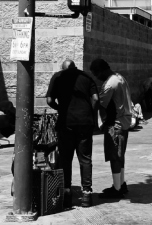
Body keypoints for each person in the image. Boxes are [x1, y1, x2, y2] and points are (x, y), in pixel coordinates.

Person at [47, 60, 98, 208]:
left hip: (66, 123)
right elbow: (95, 99)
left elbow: (50, 100)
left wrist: (60, 109)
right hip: (85, 123)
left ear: (62, 68)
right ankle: (87, 195)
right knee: (85, 159)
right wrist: (90, 113)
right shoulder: (87, 77)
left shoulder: (57, 77)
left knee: (65, 159)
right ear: (75, 67)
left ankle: (67, 194)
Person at [89, 58, 132, 199]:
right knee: (120, 156)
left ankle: (117, 188)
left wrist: (96, 121)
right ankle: (121, 183)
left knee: (114, 156)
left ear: (101, 70)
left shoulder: (110, 84)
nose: (97, 78)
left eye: (96, 74)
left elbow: (100, 103)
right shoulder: (119, 77)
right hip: (124, 122)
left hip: (116, 124)